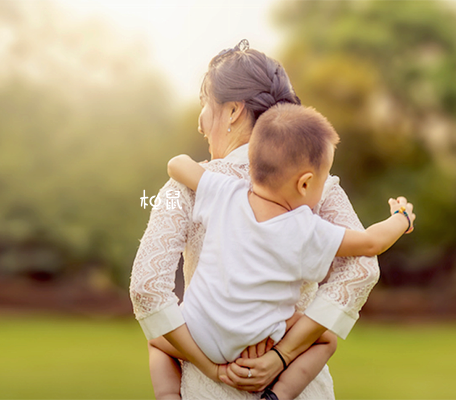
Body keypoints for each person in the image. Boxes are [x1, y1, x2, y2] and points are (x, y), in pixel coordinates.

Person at [130, 39, 382, 400]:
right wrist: (284, 353)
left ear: (233, 110)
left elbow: (146, 287)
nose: (202, 123)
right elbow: (363, 268)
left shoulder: (188, 185)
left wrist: (208, 365)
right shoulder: (314, 186)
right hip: (297, 388)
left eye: (205, 104)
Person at [147, 103, 415, 400]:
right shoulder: (306, 230)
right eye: (323, 180)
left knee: (157, 340)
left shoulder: (225, 192)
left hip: (202, 335)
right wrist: (401, 218)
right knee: (325, 340)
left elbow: (177, 165)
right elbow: (370, 243)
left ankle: (168, 396)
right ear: (305, 183)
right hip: (261, 337)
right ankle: (278, 395)